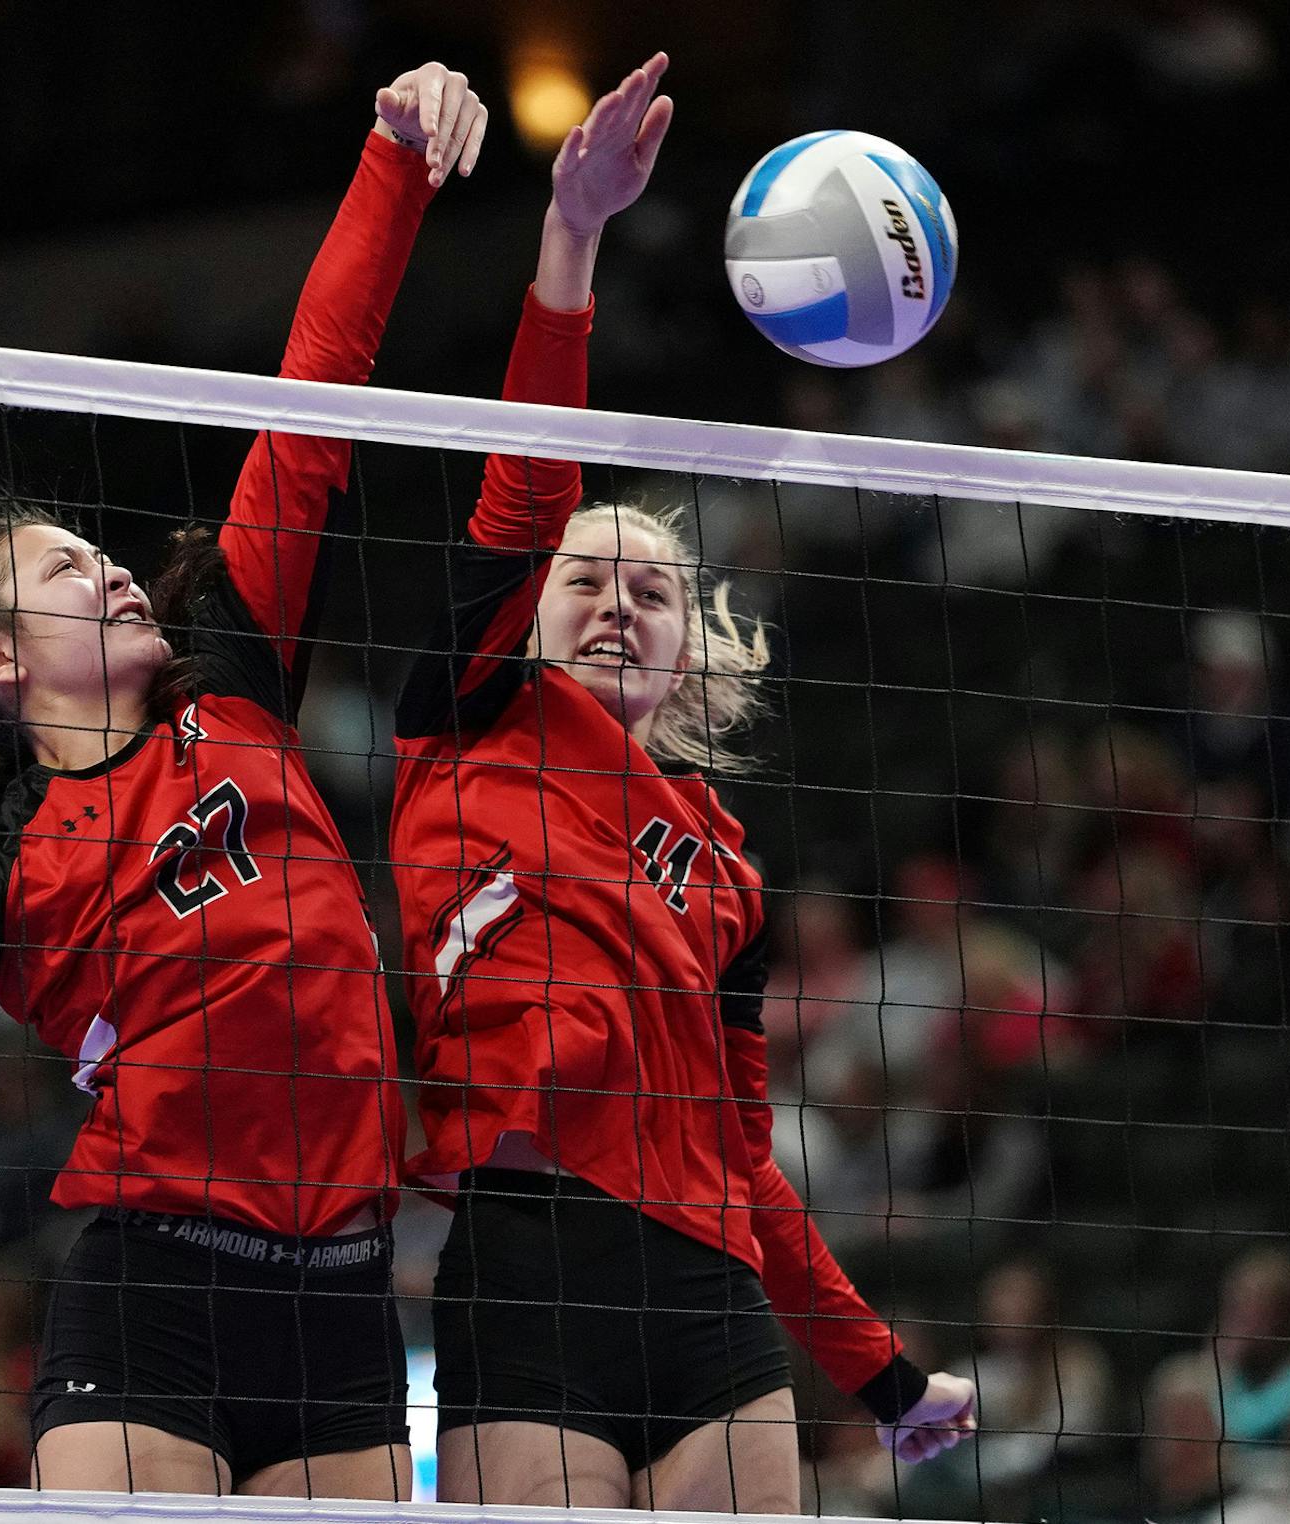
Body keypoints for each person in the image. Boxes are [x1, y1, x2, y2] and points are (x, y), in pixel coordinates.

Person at [0, 62, 492, 1500]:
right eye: (64, 571)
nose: (107, 568)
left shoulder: (239, 672)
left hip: (343, 1290)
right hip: (156, 1290)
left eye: (97, 552)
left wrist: (393, 156)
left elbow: (315, 394)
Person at [387, 53, 976, 1511]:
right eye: (584, 579)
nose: (614, 604)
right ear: (528, 615)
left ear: (684, 646)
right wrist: (570, 240)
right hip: (528, 1255)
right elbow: (528, 479)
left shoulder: (724, 861)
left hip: (709, 1284)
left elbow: (746, 1159)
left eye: (650, 590)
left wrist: (883, 1377)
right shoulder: (467, 722)